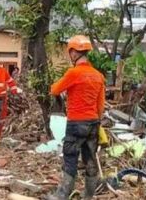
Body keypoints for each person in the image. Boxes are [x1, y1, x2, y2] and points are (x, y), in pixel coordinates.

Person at [45, 35, 105, 200]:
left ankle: (62, 195)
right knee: (90, 159)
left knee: (70, 158)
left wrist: (54, 86)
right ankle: (88, 196)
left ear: (73, 53)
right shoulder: (98, 75)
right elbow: (100, 105)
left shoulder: (73, 73)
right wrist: (96, 123)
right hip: (93, 123)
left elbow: (55, 90)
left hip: (76, 122)